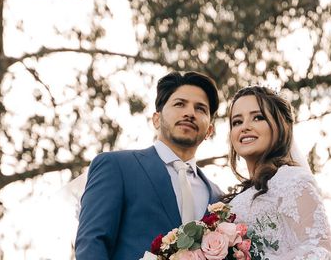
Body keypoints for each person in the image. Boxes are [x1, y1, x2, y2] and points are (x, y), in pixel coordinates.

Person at [75, 71, 223, 260]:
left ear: (209, 129)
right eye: (180, 104)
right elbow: (92, 243)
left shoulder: (219, 198)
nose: (190, 113)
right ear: (156, 119)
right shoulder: (116, 167)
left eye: (200, 108)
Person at [227, 86, 331, 259]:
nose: (245, 127)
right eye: (237, 122)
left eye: (258, 117)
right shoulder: (235, 200)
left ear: (280, 126)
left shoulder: (293, 181)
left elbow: (321, 251)